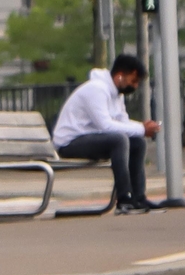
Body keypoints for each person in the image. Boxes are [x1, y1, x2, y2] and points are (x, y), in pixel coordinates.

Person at [53, 53, 158, 214]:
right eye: (133, 81)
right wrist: (142, 129)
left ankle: (139, 197)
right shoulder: (96, 89)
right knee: (119, 140)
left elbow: (123, 122)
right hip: (69, 143)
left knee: (137, 142)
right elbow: (105, 126)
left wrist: (141, 127)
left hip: (90, 138)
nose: (135, 86)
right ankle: (124, 199)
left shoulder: (117, 95)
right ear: (120, 76)